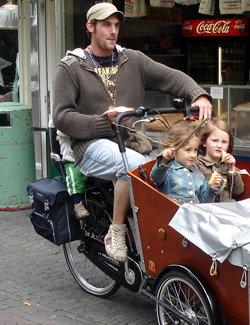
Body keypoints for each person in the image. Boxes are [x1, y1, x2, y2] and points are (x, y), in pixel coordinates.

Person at [53, 3, 212, 263]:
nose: (113, 31)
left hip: (128, 141)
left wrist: (198, 94)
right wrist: (106, 122)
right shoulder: (71, 67)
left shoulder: (132, 59)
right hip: (89, 146)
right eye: (106, 25)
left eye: (116, 25)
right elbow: (63, 117)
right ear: (90, 27)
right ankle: (115, 231)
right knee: (137, 167)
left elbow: (170, 77)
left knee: (167, 165)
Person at [150, 121, 222, 205]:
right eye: (188, 150)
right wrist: (164, 160)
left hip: (193, 215)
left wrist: (212, 188)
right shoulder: (168, 170)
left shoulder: (198, 175)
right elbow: (155, 177)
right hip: (173, 215)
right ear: (173, 149)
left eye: (196, 150)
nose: (193, 155)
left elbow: (204, 203)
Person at [193, 118, 244, 202]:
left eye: (224, 142)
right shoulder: (196, 164)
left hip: (228, 207)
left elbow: (238, 191)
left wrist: (232, 170)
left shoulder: (228, 165)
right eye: (215, 140)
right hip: (208, 209)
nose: (219, 145)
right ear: (204, 142)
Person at [57, 130, 90, 219]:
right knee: (75, 175)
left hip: (91, 157)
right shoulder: (62, 119)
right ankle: (77, 204)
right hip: (72, 159)